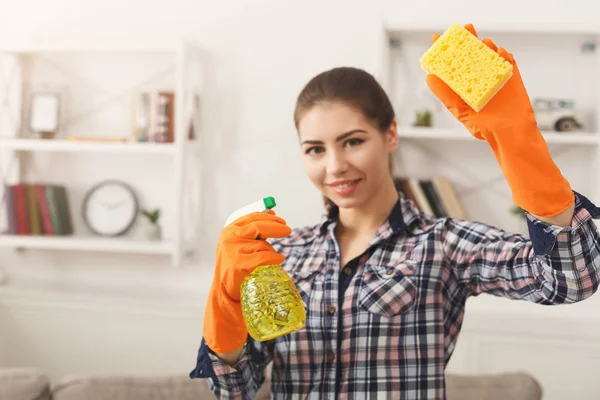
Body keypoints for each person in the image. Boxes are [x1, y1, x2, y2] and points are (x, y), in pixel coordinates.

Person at [190, 24, 600, 399]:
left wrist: (518, 143)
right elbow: (234, 390)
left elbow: (570, 281)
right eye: (315, 149)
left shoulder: (443, 244)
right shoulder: (283, 256)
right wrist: (224, 302)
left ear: (391, 135)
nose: (334, 166)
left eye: (352, 141)